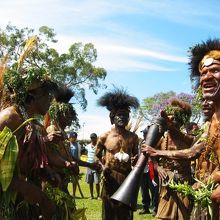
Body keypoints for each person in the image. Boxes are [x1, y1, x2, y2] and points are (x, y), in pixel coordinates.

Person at [142, 38, 220, 219]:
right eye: (203, 72)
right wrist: (157, 153)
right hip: (203, 199)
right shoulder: (208, 124)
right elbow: (192, 152)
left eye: (215, 70)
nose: (207, 77)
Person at [144, 99, 194, 220]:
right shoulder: (162, 139)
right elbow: (151, 156)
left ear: (181, 122)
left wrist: (172, 127)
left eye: (174, 119)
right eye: (169, 119)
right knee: (163, 216)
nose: (170, 122)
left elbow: (191, 148)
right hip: (167, 184)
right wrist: (158, 167)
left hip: (185, 183)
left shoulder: (188, 138)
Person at [95, 88, 139, 220]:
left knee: (124, 212)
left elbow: (136, 157)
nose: (123, 117)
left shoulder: (133, 137)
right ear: (112, 117)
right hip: (110, 178)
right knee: (109, 210)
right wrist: (103, 167)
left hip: (126, 178)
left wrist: (135, 159)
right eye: (120, 114)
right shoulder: (104, 137)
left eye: (126, 115)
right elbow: (96, 156)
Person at [139, 127, 159, 216]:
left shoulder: (155, 143)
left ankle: (155, 208)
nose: (143, 135)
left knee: (154, 191)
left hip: (152, 171)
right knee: (144, 191)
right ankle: (145, 208)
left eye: (145, 133)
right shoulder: (140, 143)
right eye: (143, 133)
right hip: (142, 171)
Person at [85, 133, 101, 199]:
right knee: (90, 182)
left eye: (94, 138)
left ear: (96, 138)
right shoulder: (87, 146)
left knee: (97, 182)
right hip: (89, 166)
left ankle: (98, 196)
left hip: (96, 166)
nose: (92, 139)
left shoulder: (99, 146)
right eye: (91, 138)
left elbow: (101, 155)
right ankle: (91, 195)